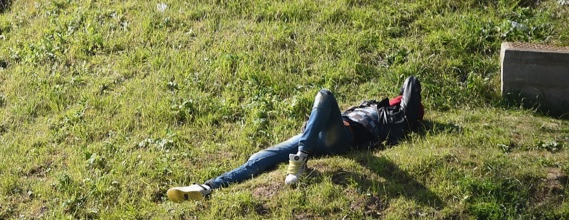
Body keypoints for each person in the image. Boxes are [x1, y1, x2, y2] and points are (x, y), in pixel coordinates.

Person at [167, 76, 424, 201]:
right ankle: (208, 187)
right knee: (259, 158)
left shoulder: (397, 117)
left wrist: (402, 101)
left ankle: (300, 159)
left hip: (341, 138)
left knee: (325, 95)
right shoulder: (371, 105)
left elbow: (412, 82)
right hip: (313, 136)